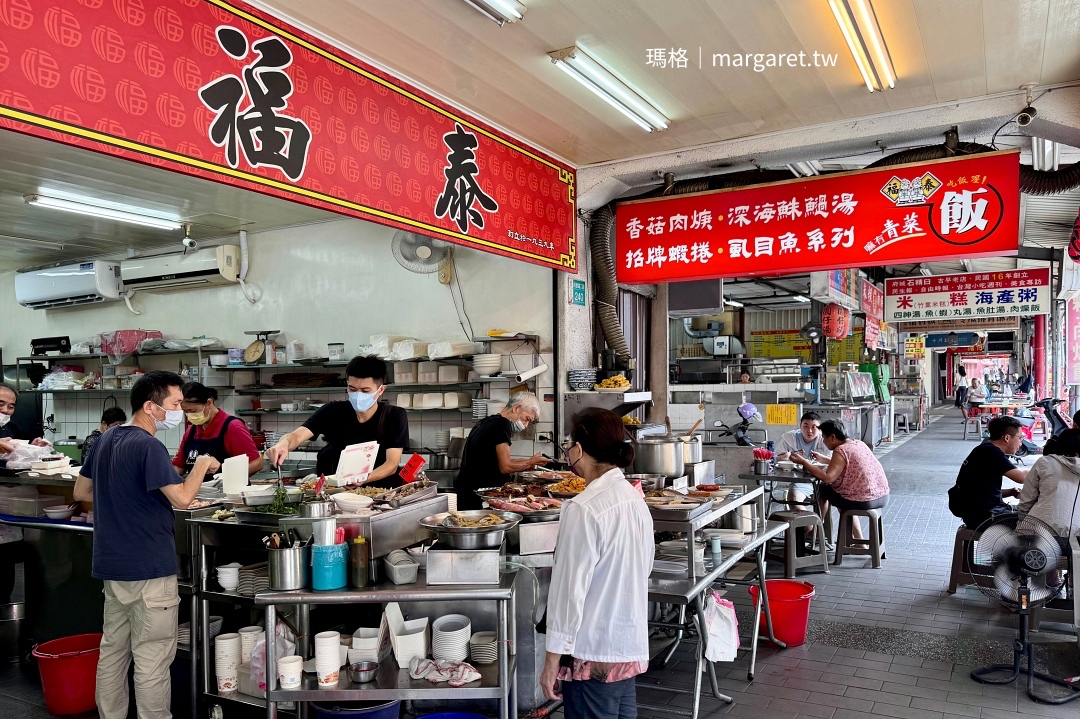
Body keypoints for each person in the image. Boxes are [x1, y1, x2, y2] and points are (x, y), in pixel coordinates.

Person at [73, 371, 217, 719]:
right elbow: (182, 498)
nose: (180, 411)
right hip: (150, 570)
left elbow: (81, 492)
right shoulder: (148, 445)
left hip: (112, 567)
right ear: (151, 407)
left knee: (113, 653)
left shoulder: (107, 439)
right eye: (175, 404)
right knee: (152, 658)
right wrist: (201, 466)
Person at [540, 408, 653, 719]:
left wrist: (551, 661)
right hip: (626, 647)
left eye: (569, 444)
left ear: (578, 449)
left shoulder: (583, 508)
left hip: (591, 652)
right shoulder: (634, 500)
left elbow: (568, 594)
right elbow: (644, 568)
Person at [266, 356, 408, 488]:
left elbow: (392, 464)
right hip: (335, 494)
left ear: (380, 390)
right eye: (352, 389)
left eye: (365, 391)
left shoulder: (394, 415)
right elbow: (297, 436)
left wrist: (364, 478)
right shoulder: (332, 411)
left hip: (379, 494)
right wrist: (283, 444)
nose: (358, 395)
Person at [789, 419, 889, 540]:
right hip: (882, 496)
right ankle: (858, 539)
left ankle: (815, 531)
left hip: (864, 499)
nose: (824, 442)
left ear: (832, 437)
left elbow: (828, 478)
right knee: (840, 496)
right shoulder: (858, 443)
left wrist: (804, 462)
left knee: (824, 490)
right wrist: (824, 459)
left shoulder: (840, 450)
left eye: (824, 438)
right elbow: (848, 463)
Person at [453, 392, 549, 510]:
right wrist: (530, 462)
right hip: (477, 497)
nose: (525, 425)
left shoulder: (487, 421)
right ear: (517, 408)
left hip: (467, 492)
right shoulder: (501, 424)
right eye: (526, 419)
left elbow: (496, 461)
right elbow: (506, 466)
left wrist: (528, 462)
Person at [948, 416, 1028, 529]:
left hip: (976, 513)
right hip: (983, 517)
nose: (1020, 443)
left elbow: (980, 491)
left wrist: (1010, 492)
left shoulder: (985, 449)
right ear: (1007, 438)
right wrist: (1045, 470)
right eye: (1020, 438)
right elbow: (1021, 477)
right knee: (1033, 520)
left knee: (1028, 514)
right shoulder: (992, 452)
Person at [172, 383, 263, 477]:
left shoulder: (233, 427)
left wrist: (225, 477)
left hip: (228, 490)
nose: (189, 415)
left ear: (209, 403)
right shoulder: (191, 431)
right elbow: (179, 466)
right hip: (200, 491)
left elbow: (256, 464)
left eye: (193, 411)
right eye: (186, 412)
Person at [775, 411, 832, 506]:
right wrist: (781, 458)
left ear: (820, 428)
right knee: (793, 499)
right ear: (800, 425)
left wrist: (822, 459)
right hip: (800, 479)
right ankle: (810, 519)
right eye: (805, 426)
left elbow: (832, 460)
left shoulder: (824, 439)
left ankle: (818, 520)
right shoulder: (790, 438)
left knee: (823, 495)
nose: (809, 430)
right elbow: (775, 457)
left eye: (814, 427)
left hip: (822, 480)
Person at [0, 383, 50, 454]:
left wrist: (31, 447)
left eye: (11, 407)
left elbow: (16, 452)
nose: (5, 410)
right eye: (0, 405)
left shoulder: (11, 427)